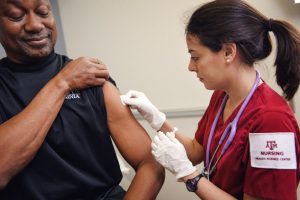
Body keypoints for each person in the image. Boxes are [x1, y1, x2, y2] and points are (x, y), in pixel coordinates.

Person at [121, 0, 300, 199]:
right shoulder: (222, 96)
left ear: (228, 52)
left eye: (196, 57)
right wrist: (157, 119)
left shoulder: (272, 120)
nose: (190, 66)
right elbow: (197, 151)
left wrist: (189, 174)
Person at [0, 0, 164, 199]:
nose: (35, 25)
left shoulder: (92, 78)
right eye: (17, 16)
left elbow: (150, 163)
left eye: (43, 13)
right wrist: (62, 83)